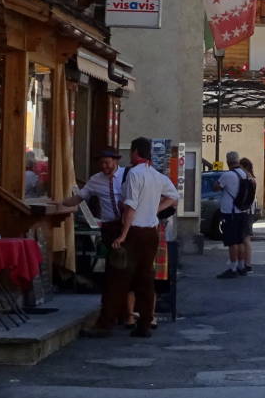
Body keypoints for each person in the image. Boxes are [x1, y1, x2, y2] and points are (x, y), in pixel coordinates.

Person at [110, 138, 179, 336]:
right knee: (146, 278)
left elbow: (131, 206)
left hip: (135, 231)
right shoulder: (156, 175)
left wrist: (123, 234)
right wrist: (155, 209)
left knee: (123, 275)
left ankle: (118, 317)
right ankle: (146, 321)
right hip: (151, 231)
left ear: (135, 152)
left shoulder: (134, 173)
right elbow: (174, 196)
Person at [60, 148, 134, 332]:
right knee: (113, 271)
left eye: (107, 162)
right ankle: (115, 314)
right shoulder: (95, 180)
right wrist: (60, 203)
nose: (104, 166)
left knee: (127, 271)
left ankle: (127, 313)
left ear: (116, 161)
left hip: (128, 226)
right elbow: (80, 197)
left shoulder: (128, 176)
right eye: (101, 163)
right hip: (110, 227)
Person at [213, 150, 257, 279]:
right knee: (241, 241)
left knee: (232, 242)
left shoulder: (228, 175)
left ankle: (233, 268)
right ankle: (241, 266)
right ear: (237, 160)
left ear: (228, 161)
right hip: (243, 211)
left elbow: (216, 187)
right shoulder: (246, 174)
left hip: (231, 212)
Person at [237, 157, 259, 273]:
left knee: (245, 238)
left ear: (244, 167)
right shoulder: (252, 178)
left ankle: (247, 263)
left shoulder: (247, 179)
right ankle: (246, 263)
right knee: (245, 238)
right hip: (250, 210)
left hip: (247, 211)